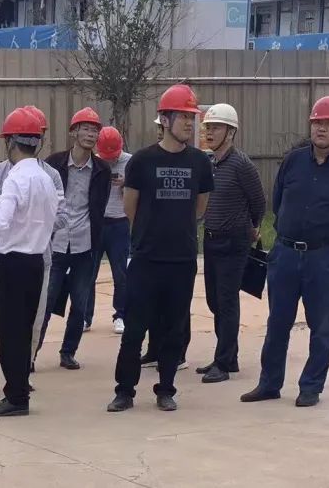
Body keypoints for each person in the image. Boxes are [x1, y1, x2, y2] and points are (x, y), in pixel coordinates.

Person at [241, 96, 329, 408]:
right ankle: (269, 383)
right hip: (285, 254)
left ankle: (311, 386)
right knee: (278, 322)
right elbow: (277, 202)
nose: (321, 128)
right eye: (316, 123)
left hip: (325, 256)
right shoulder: (292, 161)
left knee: (321, 325)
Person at [108, 84, 214, 413]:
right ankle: (124, 391)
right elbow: (130, 207)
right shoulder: (142, 161)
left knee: (173, 331)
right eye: (183, 117)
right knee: (134, 330)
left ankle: (166, 389)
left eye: (192, 117)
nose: (189, 123)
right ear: (164, 120)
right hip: (146, 259)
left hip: (181, 260)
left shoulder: (200, 162)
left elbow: (199, 208)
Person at [0, 108, 60, 417]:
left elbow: (1, 221)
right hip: (36, 261)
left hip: (13, 262)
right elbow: (55, 218)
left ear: (10, 142)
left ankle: (15, 396)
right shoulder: (46, 178)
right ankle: (20, 390)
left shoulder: (15, 177)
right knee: (25, 329)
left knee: (8, 332)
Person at [196, 104, 266, 384]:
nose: (209, 132)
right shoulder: (209, 163)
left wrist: (253, 226)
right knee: (214, 300)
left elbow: (258, 201)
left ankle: (223, 363)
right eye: (208, 128)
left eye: (216, 127)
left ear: (231, 132)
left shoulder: (241, 164)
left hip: (234, 241)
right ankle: (229, 356)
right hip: (211, 239)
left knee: (226, 301)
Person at [39, 107, 110, 370]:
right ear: (74, 132)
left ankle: (68, 352)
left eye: (95, 130)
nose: (91, 135)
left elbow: (100, 206)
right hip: (55, 243)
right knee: (46, 302)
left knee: (80, 304)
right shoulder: (53, 163)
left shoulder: (102, 169)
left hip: (85, 245)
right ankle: (31, 353)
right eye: (86, 129)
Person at [140, 113, 191, 372]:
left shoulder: (193, 161)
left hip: (181, 250)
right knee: (153, 307)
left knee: (177, 309)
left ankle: (177, 355)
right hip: (152, 249)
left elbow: (199, 207)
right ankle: (154, 350)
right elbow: (134, 206)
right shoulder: (148, 158)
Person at [88, 126, 130, 335]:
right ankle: (85, 316)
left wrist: (126, 183)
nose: (110, 160)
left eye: (113, 157)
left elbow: (142, 189)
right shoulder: (94, 163)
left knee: (121, 273)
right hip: (97, 223)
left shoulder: (131, 162)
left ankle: (120, 315)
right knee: (89, 273)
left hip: (120, 223)